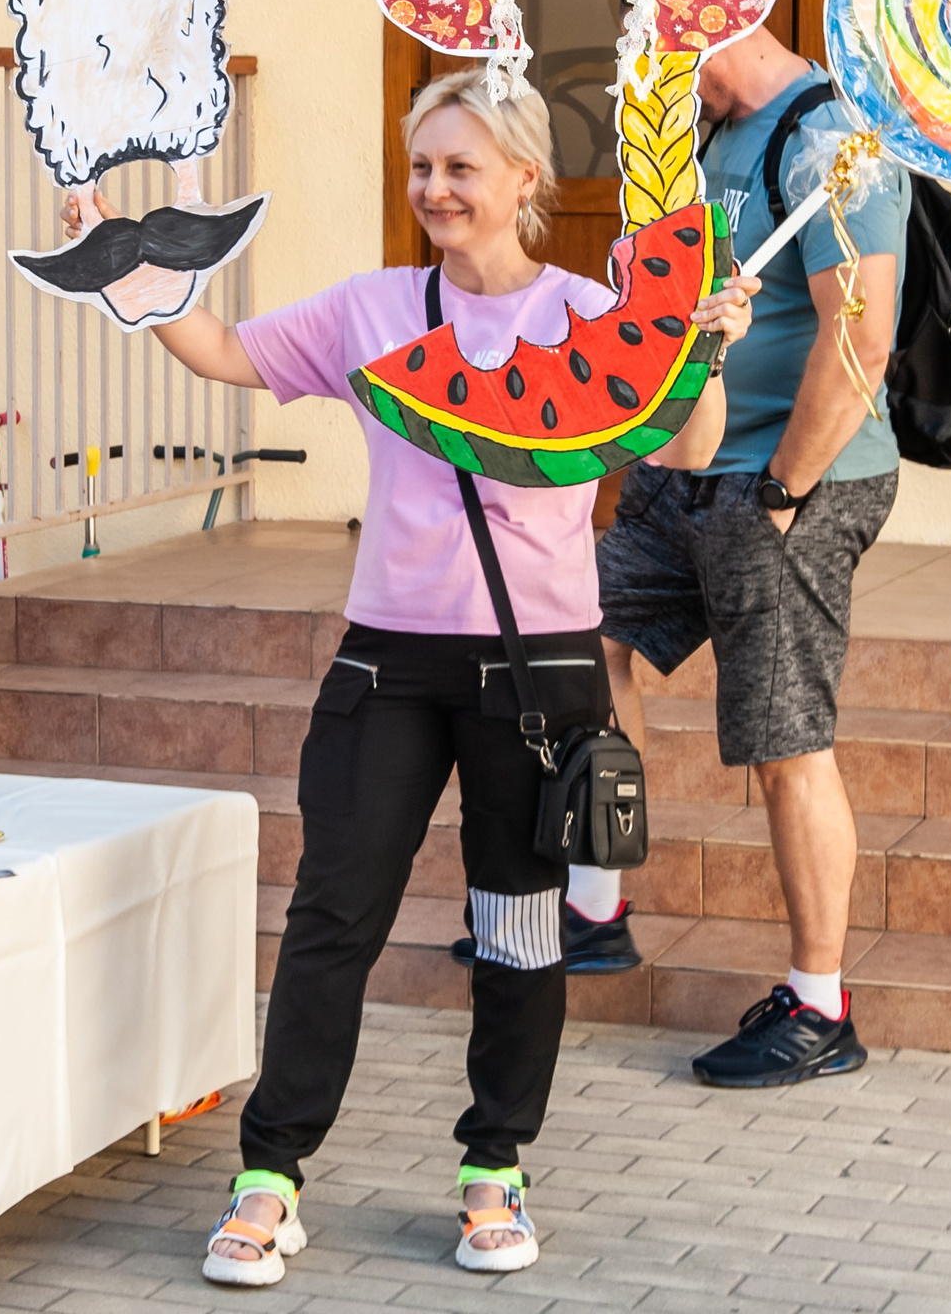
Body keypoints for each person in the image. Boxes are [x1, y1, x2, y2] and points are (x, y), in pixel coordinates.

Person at [82, 69, 754, 1285]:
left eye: (459, 168)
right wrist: (136, 278)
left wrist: (703, 349)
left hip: (538, 668)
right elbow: (225, 353)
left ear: (523, 181)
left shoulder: (593, 311)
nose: (435, 190)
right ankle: (268, 1176)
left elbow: (689, 449)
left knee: (515, 926)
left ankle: (495, 1168)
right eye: (421, 167)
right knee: (331, 919)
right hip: (387, 659)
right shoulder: (373, 310)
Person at [584, 22, 909, 1084]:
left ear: (705, 26)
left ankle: (819, 1007)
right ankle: (595, 898)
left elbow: (859, 337)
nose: (636, 78)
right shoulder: (708, 128)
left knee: (784, 742)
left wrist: (783, 492)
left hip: (789, 479)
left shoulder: (833, 143)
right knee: (581, 635)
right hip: (691, 457)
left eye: (644, 50)